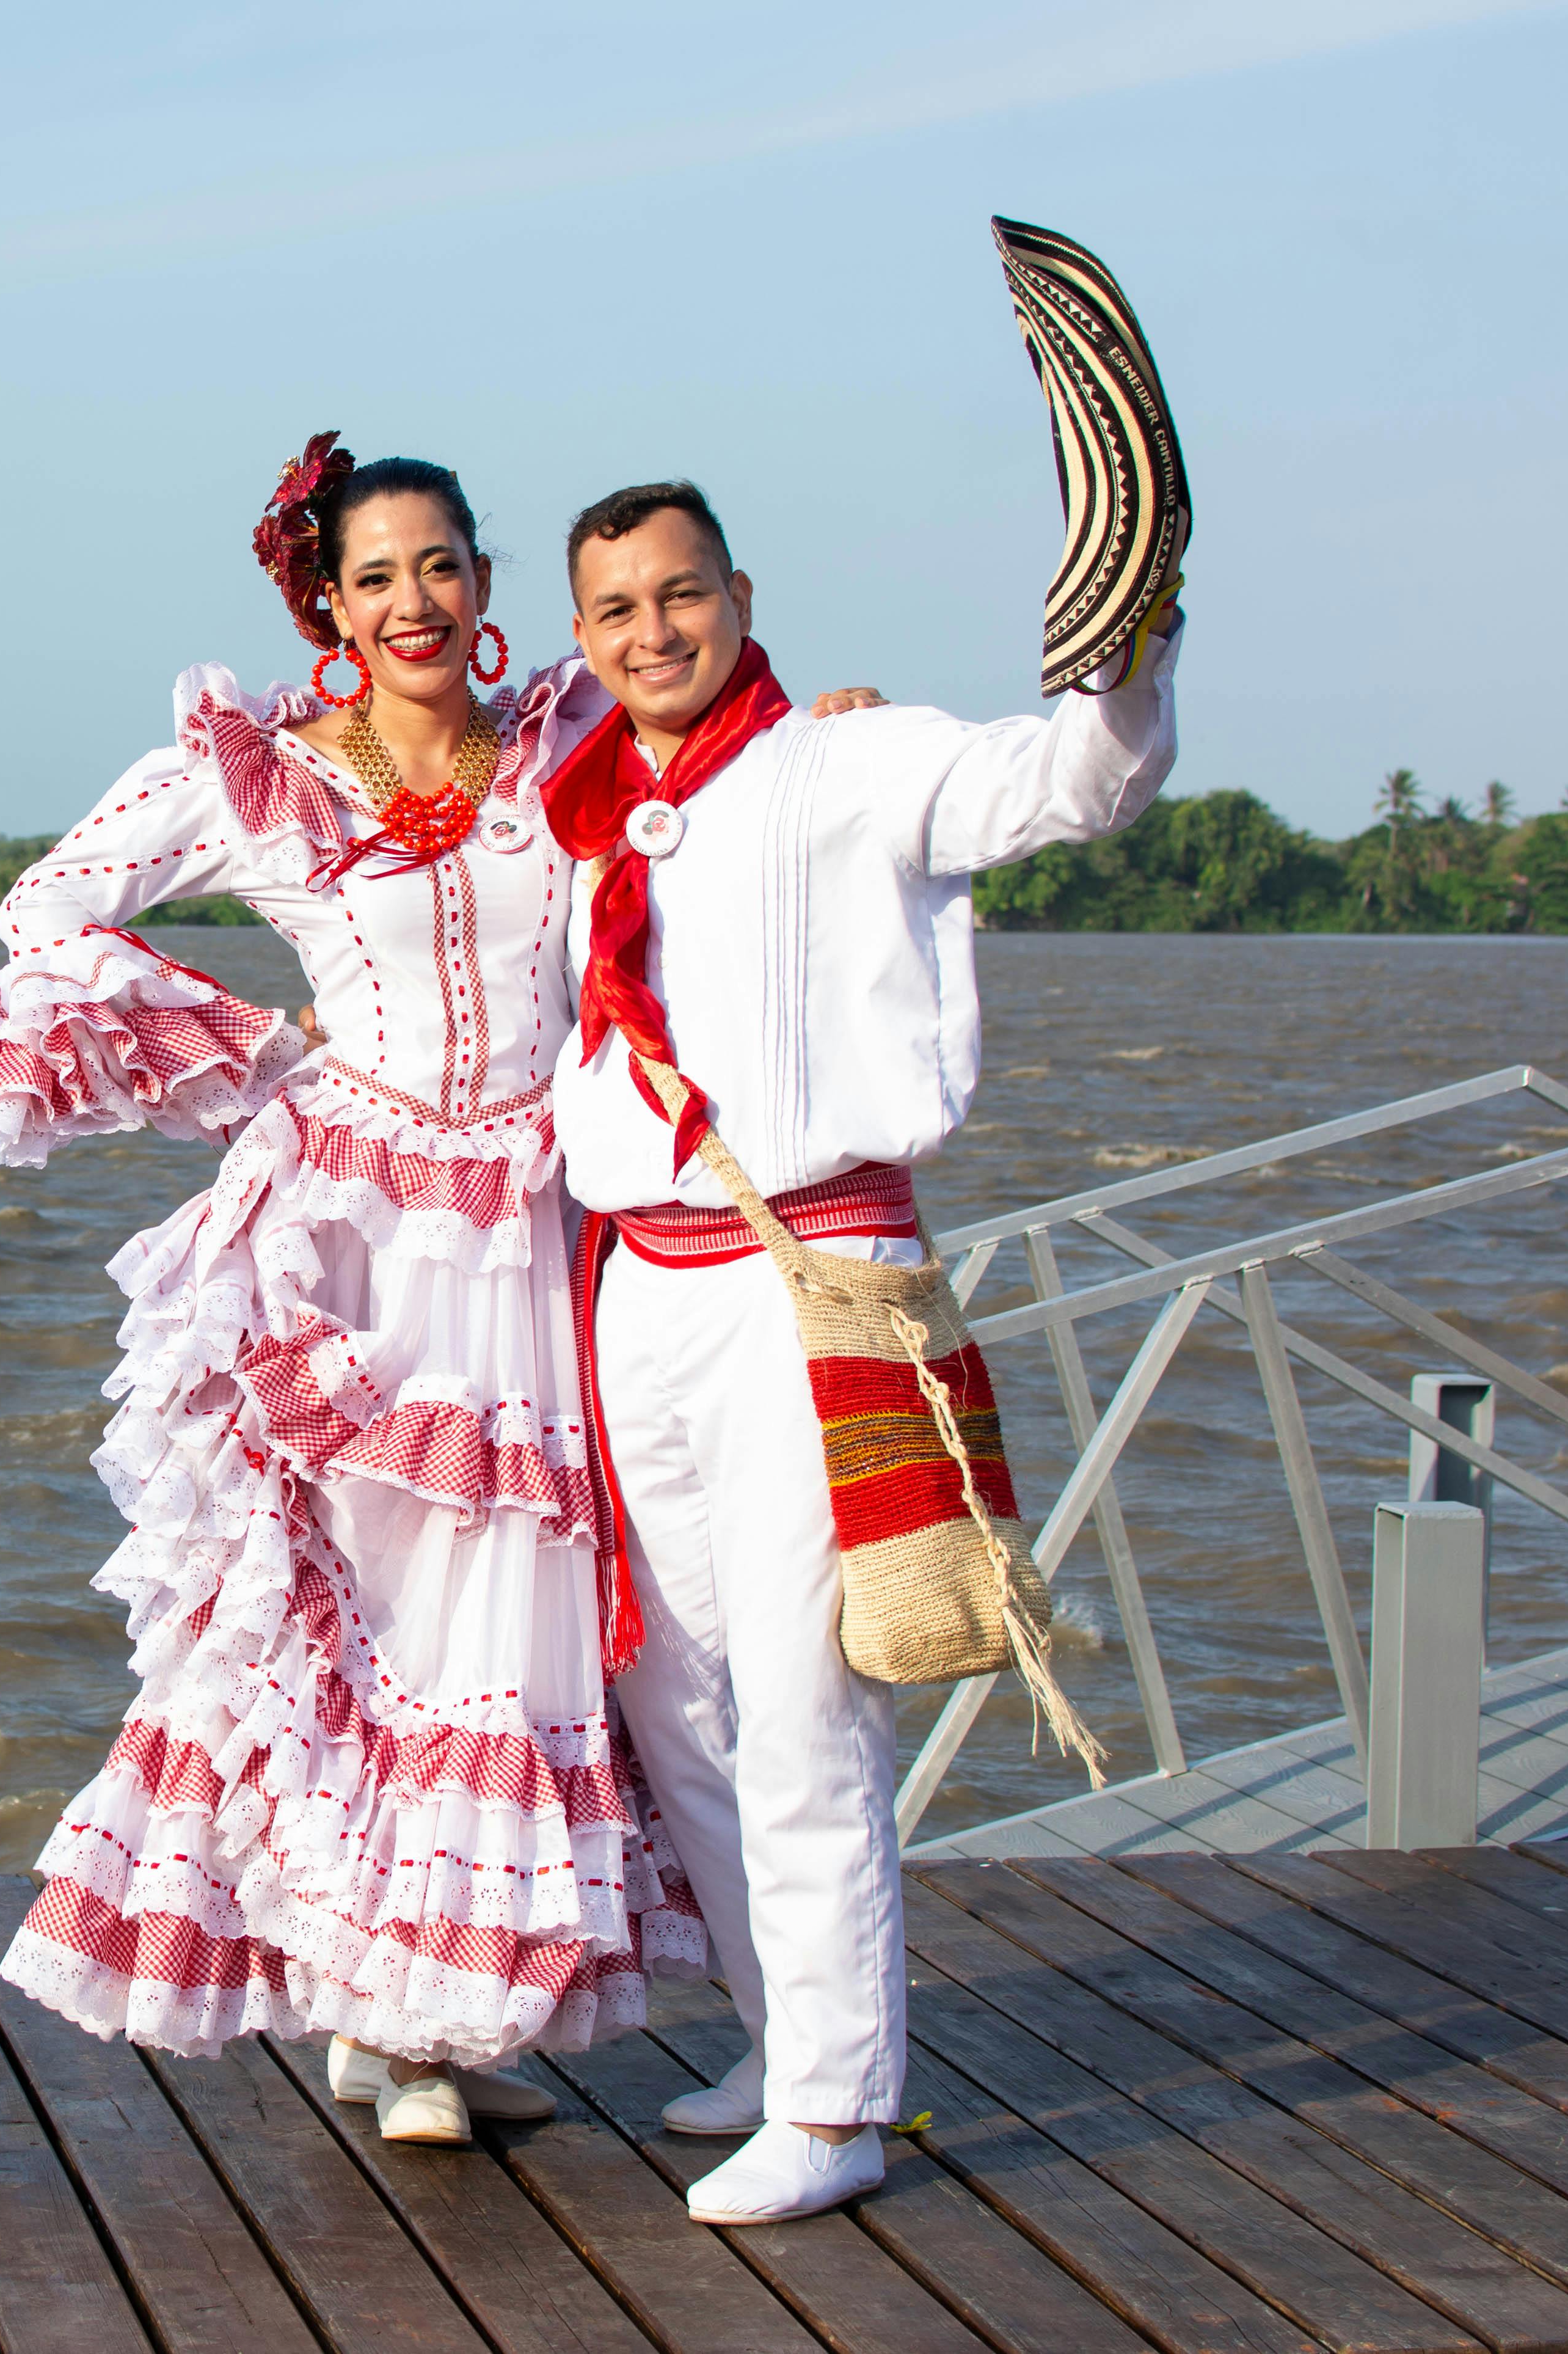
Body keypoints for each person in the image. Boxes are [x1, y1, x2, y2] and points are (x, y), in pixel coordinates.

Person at [0, 434, 699, 2145]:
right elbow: (43, 906)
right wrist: (259, 1042)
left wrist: (835, 712)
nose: (413, 601)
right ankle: (389, 2024)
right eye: (376, 575)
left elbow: (731, 770)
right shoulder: (262, 769)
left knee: (510, 1619)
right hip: (342, 1238)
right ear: (324, 603)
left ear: (482, 585)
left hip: (536, 1221)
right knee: (359, 1624)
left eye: (441, 565)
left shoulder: (567, 733)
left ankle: (414, 2006)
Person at [543, 478, 1181, 2223]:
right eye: (615, 611)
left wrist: (1124, 651)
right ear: (581, 636)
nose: (652, 633)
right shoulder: (587, 803)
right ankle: (775, 2037)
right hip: (639, 1286)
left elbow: (1078, 782)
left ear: (738, 598)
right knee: (670, 1693)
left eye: (680, 597)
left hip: (802, 1276)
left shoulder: (851, 760)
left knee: (801, 1690)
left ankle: (837, 2103)